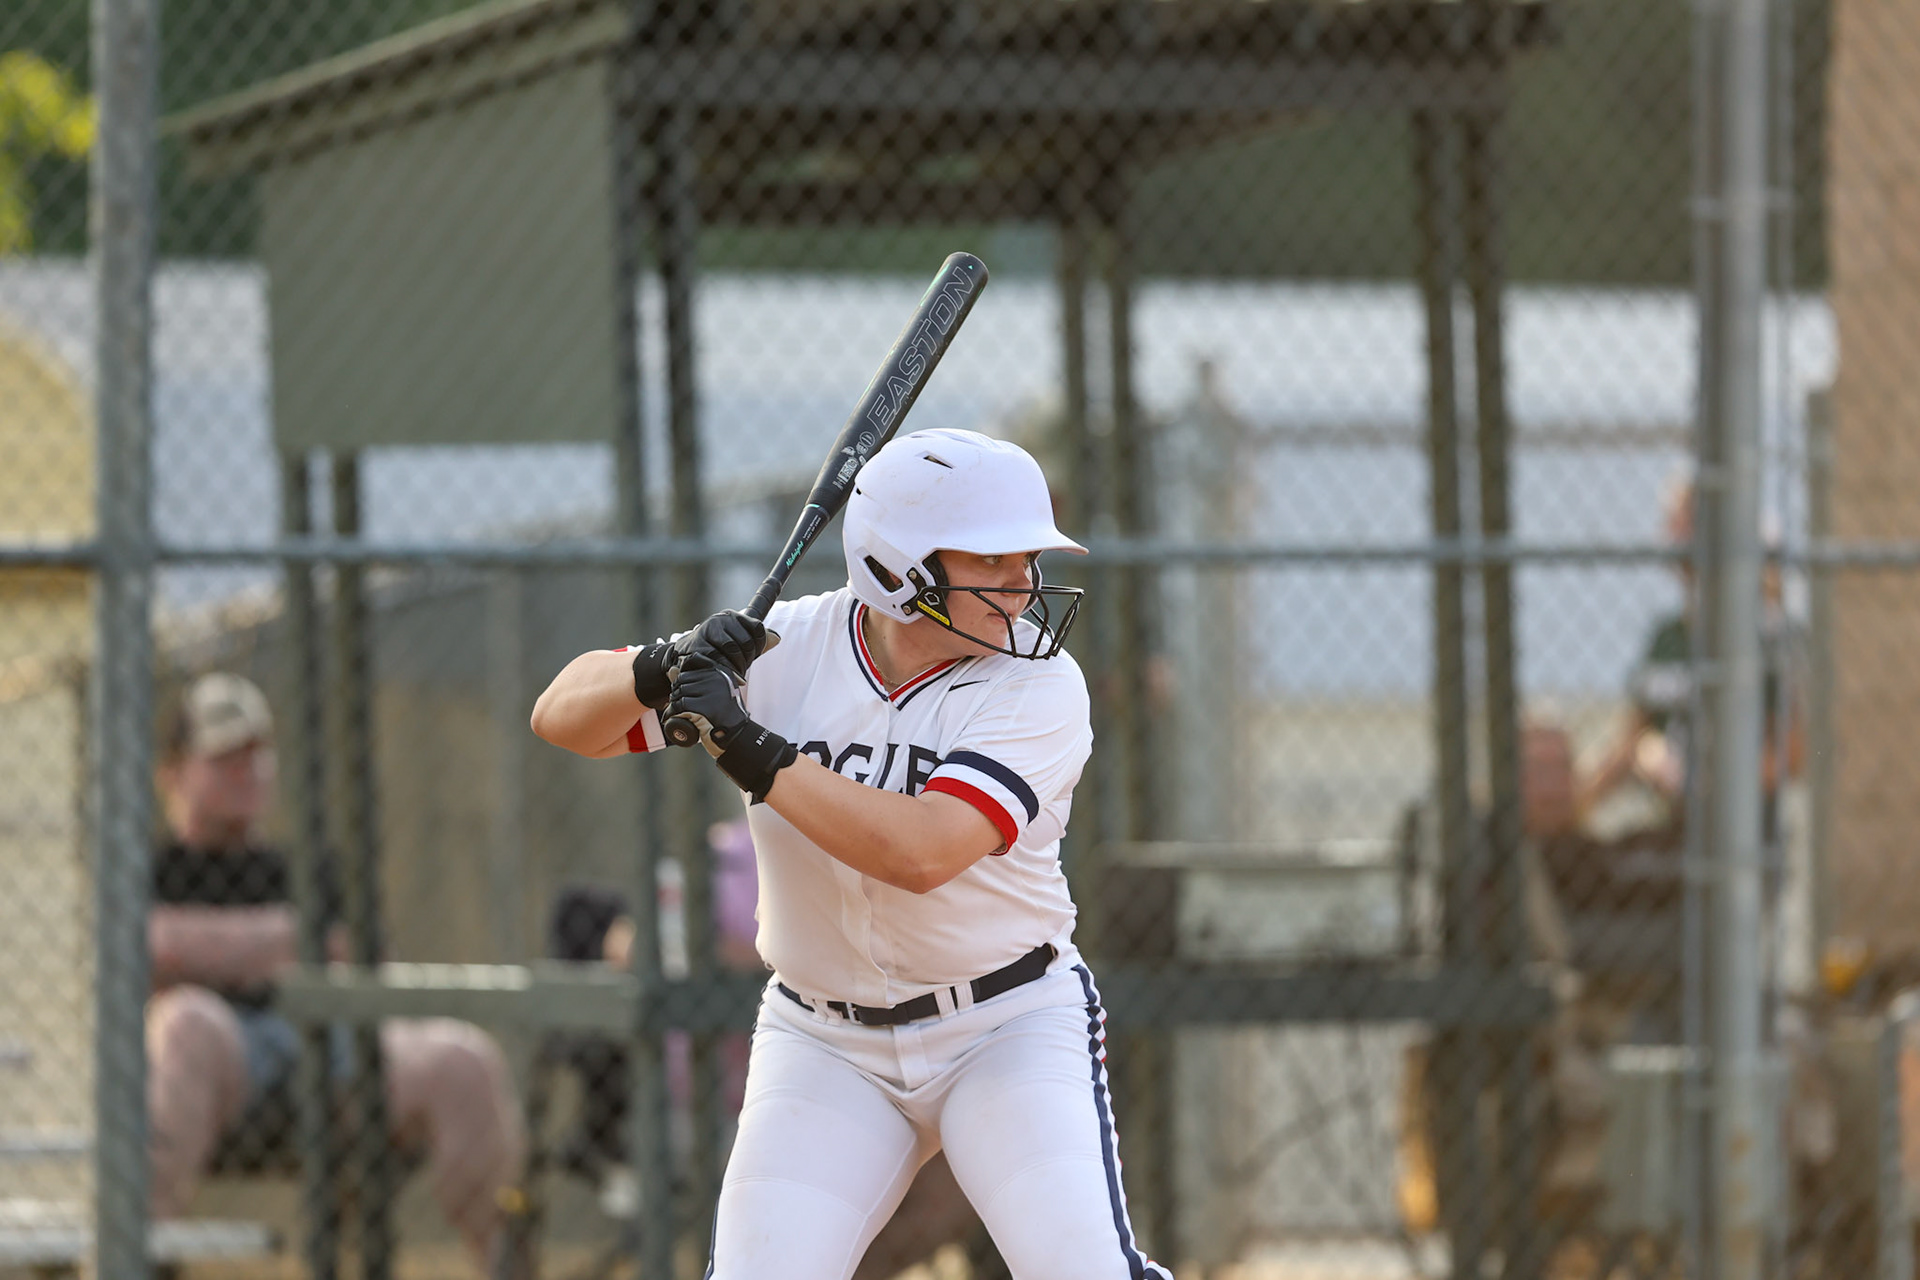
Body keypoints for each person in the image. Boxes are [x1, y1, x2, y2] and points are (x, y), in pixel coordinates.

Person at [532, 428, 1171, 1279]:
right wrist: (665, 664)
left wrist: (748, 746)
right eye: (993, 560)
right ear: (900, 568)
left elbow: (922, 852)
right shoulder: (787, 646)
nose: (1023, 585)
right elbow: (562, 717)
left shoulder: (1039, 683)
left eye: (1027, 559)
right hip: (824, 1041)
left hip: (1003, 1025)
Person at [147, 672, 525, 1266]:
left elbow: (369, 960)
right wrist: (291, 939)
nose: (248, 772)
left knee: (464, 1059)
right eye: (224, 759)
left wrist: (211, 948)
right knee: (187, 1020)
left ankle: (506, 1264)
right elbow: (151, 951)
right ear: (173, 772)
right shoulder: (151, 866)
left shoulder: (308, 867)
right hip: (227, 1058)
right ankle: (139, 1256)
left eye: (257, 755)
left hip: (331, 1050)